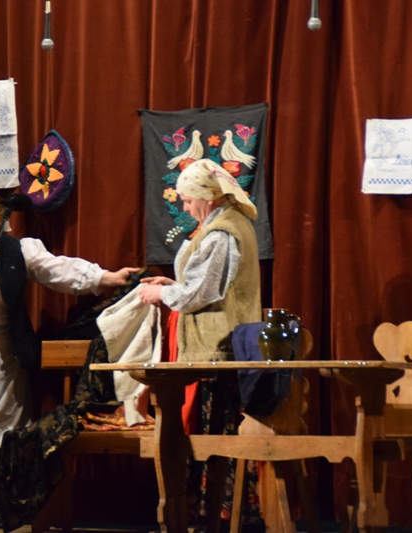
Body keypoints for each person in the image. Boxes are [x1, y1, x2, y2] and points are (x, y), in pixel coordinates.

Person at [0, 193, 138, 527]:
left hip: (8, 355)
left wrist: (106, 278)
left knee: (5, 426)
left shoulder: (19, 251)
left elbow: (57, 270)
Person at [138, 157, 262, 530]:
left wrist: (163, 295)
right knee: (209, 433)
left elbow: (203, 292)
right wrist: (173, 286)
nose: (186, 206)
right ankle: (212, 516)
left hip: (219, 351)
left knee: (216, 435)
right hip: (214, 348)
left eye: (189, 200)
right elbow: (202, 284)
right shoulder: (219, 225)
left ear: (207, 198)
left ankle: (221, 518)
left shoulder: (223, 232)